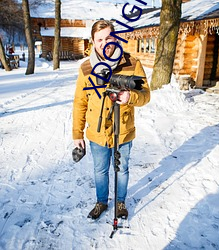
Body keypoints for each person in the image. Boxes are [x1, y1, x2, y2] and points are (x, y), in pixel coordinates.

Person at [72, 20, 150, 220]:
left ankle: (121, 202)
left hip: (123, 130)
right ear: (93, 41)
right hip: (97, 133)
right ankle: (101, 202)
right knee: (100, 170)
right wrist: (77, 134)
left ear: (114, 38)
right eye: (99, 39)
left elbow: (146, 95)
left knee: (122, 168)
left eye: (108, 37)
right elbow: (80, 102)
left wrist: (130, 97)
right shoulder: (86, 68)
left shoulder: (132, 63)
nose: (104, 42)